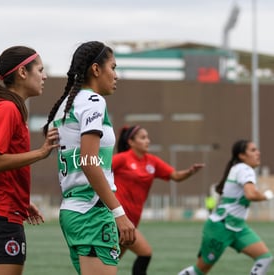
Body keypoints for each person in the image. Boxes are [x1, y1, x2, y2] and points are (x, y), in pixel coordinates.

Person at [43, 41, 136, 275]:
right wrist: (119, 213)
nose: (116, 75)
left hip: (74, 210)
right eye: (113, 68)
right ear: (96, 69)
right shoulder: (93, 101)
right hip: (91, 210)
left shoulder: (65, 105)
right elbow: (88, 160)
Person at [0, 46, 59, 275]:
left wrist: (22, 200)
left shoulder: (7, 107)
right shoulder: (6, 108)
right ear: (22, 73)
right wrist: (42, 152)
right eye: (40, 69)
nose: (44, 75)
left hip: (3, 211)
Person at [113, 125, 205, 275]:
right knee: (145, 253)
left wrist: (190, 172)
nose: (147, 141)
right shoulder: (122, 159)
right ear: (131, 142)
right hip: (118, 218)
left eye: (148, 137)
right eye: (143, 138)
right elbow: (99, 172)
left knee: (110, 262)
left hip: (133, 220)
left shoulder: (152, 161)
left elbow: (175, 176)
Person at [178, 139, 274, 275]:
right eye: (253, 150)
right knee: (200, 270)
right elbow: (251, 195)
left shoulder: (239, 169)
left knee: (264, 257)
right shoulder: (244, 169)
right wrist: (268, 195)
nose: (258, 153)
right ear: (241, 155)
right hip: (220, 228)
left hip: (238, 228)